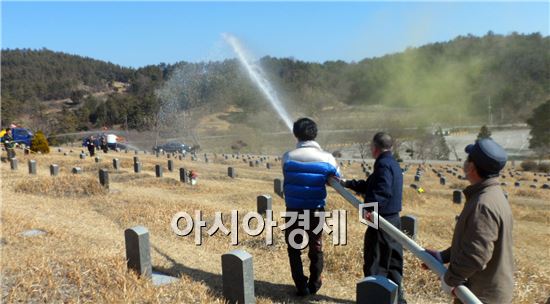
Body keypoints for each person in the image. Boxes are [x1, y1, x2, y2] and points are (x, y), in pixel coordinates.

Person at [424, 139, 513, 304]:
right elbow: (472, 241)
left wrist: (450, 279)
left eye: (467, 159)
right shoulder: (492, 195)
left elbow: (476, 255)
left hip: (480, 296)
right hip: (482, 291)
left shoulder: (483, 204)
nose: (464, 163)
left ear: (471, 167)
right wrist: (442, 256)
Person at [340, 132, 407, 304]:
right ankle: (396, 299)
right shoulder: (391, 163)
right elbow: (370, 186)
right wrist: (346, 183)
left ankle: (375, 299)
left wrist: (368, 210)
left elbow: (382, 192)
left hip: (382, 222)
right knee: (392, 263)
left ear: (374, 148)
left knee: (377, 262)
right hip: (391, 220)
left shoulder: (383, 165)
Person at [282, 118, 340, 296]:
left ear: (295, 134)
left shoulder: (288, 157)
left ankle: (300, 285)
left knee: (294, 247)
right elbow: (337, 177)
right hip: (315, 210)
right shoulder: (328, 158)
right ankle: (315, 283)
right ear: (315, 134)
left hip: (293, 209)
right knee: (315, 246)